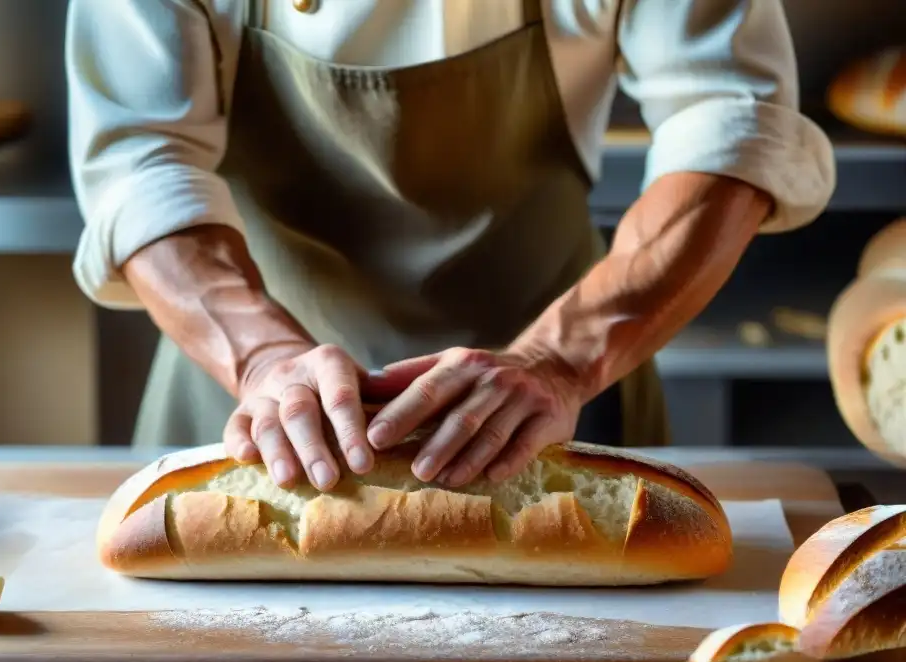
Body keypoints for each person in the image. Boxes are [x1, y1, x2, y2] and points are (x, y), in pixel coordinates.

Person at [66, 0, 834, 492]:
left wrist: (558, 363)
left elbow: (734, 122)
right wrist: (266, 361)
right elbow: (141, 161)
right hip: (250, 404)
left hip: (558, 398)